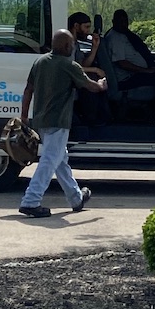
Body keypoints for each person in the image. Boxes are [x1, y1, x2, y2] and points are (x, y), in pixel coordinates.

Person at [18, 29, 108, 217]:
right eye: (72, 44)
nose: (73, 47)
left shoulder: (40, 62)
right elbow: (90, 86)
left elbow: (28, 90)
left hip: (41, 120)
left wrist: (24, 116)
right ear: (67, 46)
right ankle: (31, 201)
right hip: (58, 121)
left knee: (60, 160)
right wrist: (101, 85)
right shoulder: (69, 65)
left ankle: (76, 198)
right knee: (50, 159)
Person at [105, 9, 155, 121]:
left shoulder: (125, 35)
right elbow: (122, 63)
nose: (123, 24)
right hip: (126, 79)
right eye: (120, 21)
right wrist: (146, 71)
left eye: (125, 21)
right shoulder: (115, 38)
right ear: (113, 21)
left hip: (136, 73)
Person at [68, 11, 110, 125]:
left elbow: (83, 65)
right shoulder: (67, 43)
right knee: (92, 81)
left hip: (76, 74)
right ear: (76, 26)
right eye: (86, 27)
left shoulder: (76, 43)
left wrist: (94, 48)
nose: (88, 31)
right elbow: (71, 66)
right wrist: (95, 70)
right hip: (70, 77)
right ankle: (91, 119)